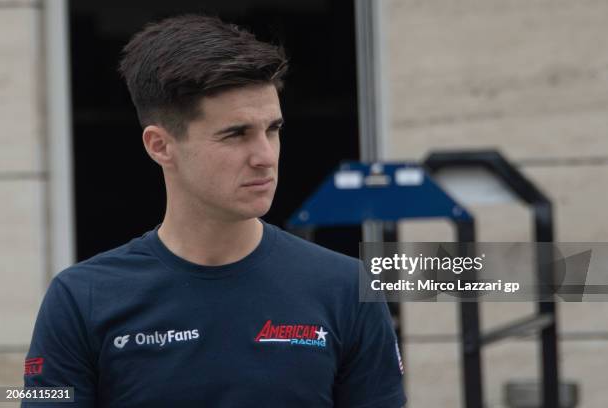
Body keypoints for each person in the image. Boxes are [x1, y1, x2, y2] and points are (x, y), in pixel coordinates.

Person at [23, 14, 406, 407]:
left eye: (273, 130)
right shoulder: (79, 298)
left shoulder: (347, 290)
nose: (264, 156)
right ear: (160, 146)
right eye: (236, 134)